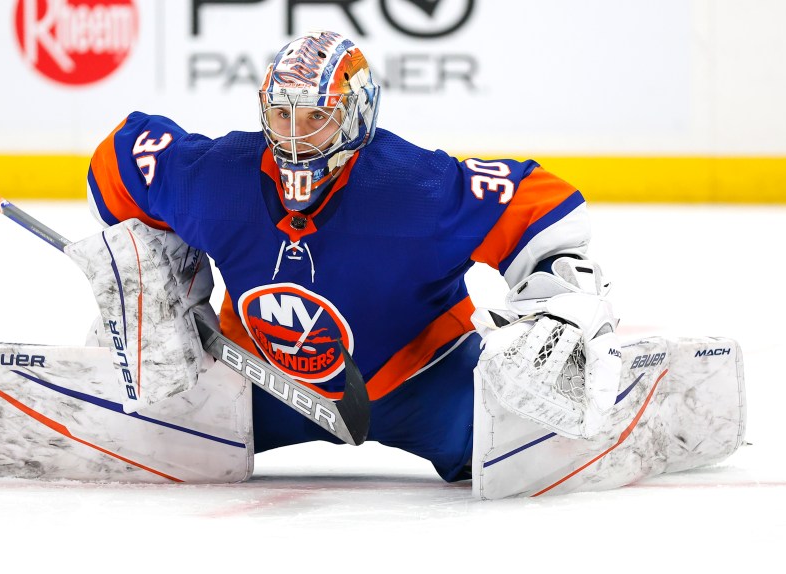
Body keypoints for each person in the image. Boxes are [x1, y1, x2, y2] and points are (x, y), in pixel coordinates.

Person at [85, 30, 603, 482]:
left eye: (317, 116)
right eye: (282, 114)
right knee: (148, 434)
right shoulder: (217, 180)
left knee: (531, 443)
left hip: (423, 383)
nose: (296, 134)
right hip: (256, 381)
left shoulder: (413, 188)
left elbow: (545, 205)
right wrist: (153, 269)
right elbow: (117, 161)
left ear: (356, 115)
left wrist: (559, 298)